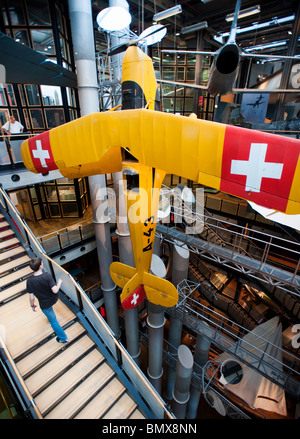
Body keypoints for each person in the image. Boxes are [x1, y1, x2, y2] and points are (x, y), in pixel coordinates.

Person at [27, 257, 68, 343]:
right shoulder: (47, 276)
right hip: (53, 299)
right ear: (41, 266)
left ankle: (63, 339)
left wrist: (32, 305)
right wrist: (59, 282)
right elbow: (55, 290)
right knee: (53, 320)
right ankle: (63, 338)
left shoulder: (29, 281)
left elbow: (31, 297)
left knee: (53, 321)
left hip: (45, 304)